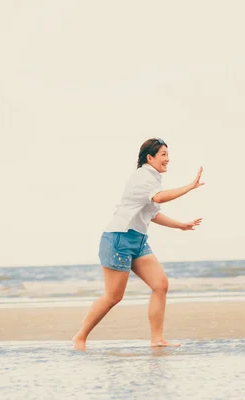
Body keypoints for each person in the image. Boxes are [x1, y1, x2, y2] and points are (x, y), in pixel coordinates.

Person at [73, 138, 204, 351]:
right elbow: (159, 199)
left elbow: (152, 213)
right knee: (113, 297)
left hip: (138, 241)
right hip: (119, 238)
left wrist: (181, 226)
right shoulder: (143, 177)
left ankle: (157, 338)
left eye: (167, 154)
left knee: (160, 285)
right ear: (149, 157)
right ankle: (80, 337)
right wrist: (189, 187)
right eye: (163, 154)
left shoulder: (152, 179)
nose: (167, 159)